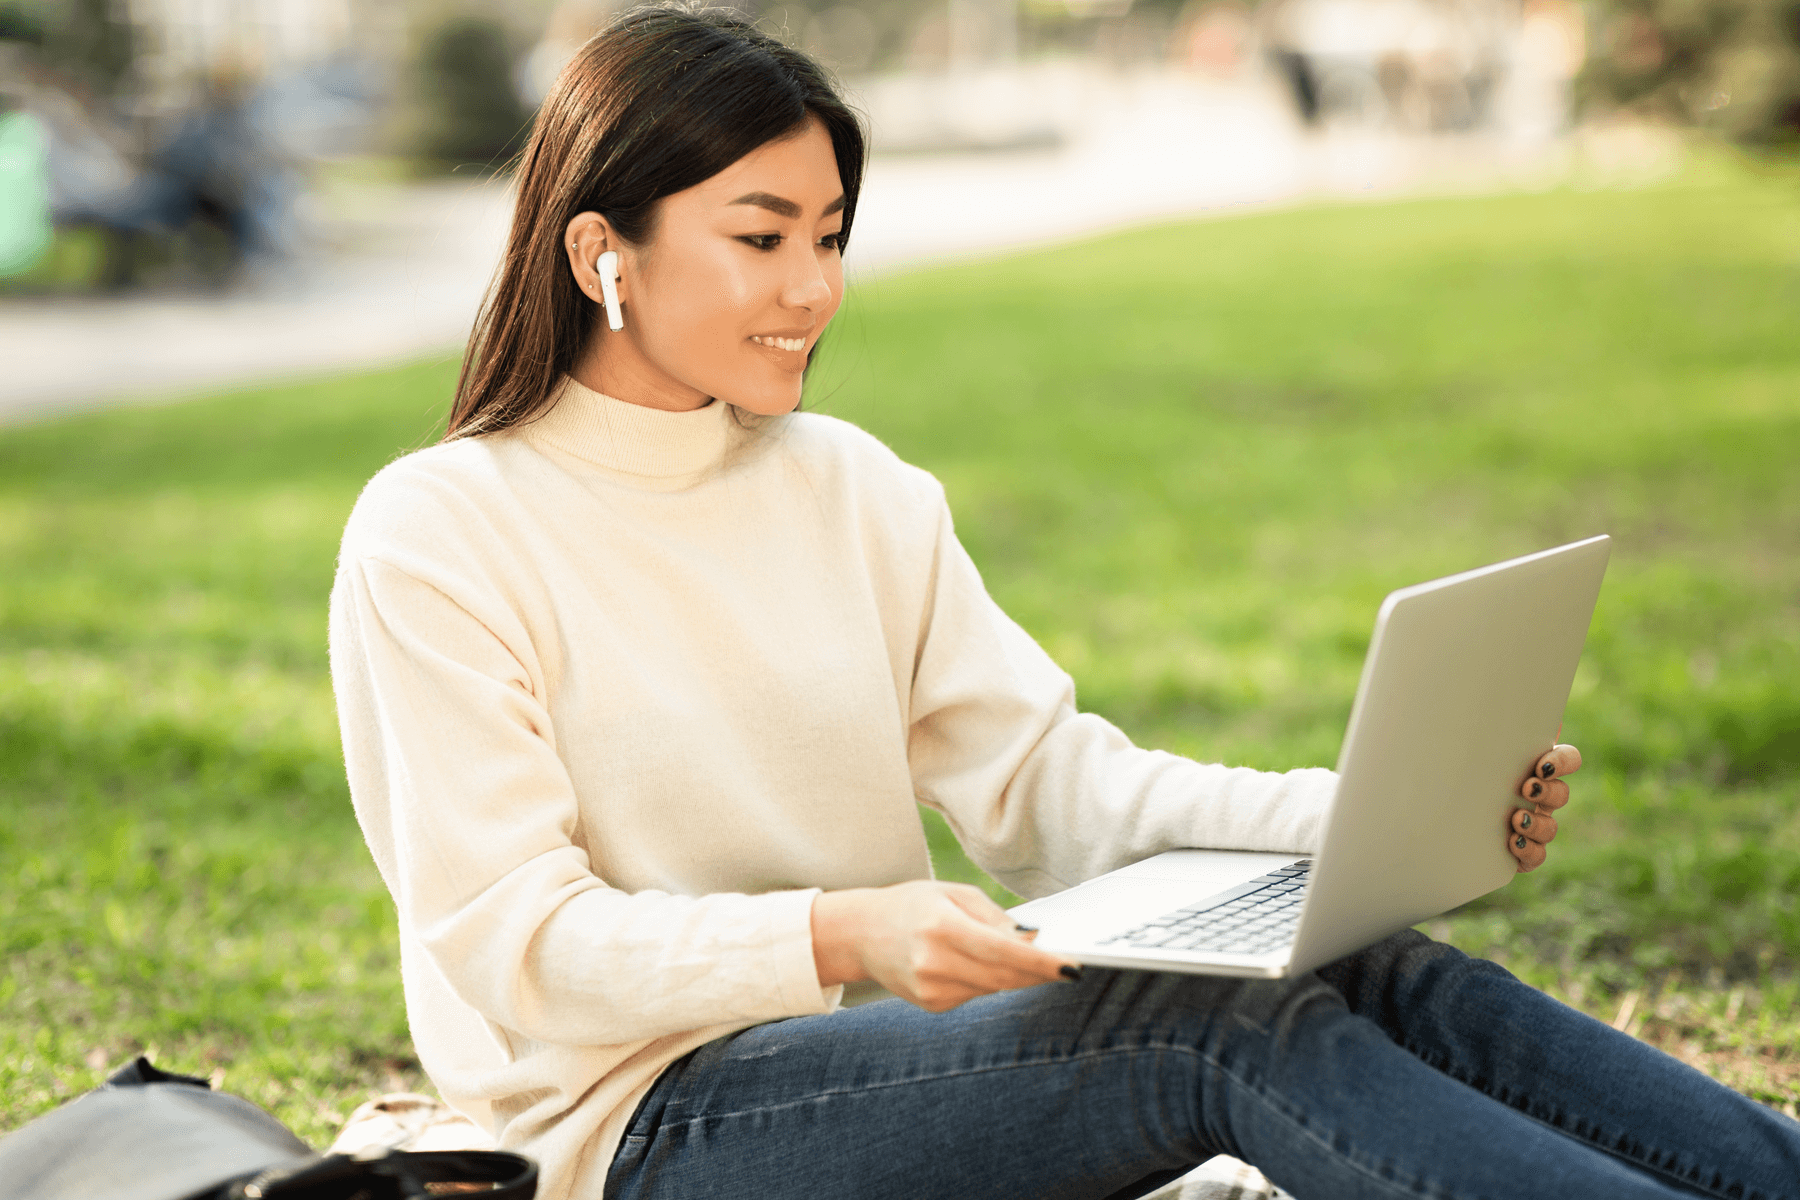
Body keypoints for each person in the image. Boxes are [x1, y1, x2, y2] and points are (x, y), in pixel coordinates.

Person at [326, 7, 1800, 1199]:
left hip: (875, 1064)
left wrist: (1368, 818)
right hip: (634, 1134)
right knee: (1209, 1029)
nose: (813, 287)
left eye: (830, 235)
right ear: (604, 255)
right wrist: (840, 932)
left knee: (1357, 957)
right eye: (760, 236)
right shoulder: (445, 531)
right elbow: (515, 941)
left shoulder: (851, 489)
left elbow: (1052, 790)